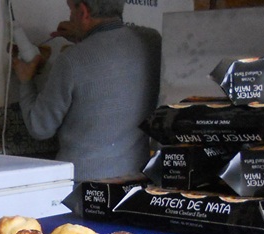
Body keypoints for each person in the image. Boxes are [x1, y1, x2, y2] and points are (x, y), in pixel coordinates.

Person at [13, 0, 161, 182]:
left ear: (83, 11)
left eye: (70, 10)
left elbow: (40, 127)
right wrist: (85, 36)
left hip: (84, 187)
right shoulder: (153, 41)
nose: (69, 17)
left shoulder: (71, 60)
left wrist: (25, 81)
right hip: (138, 179)